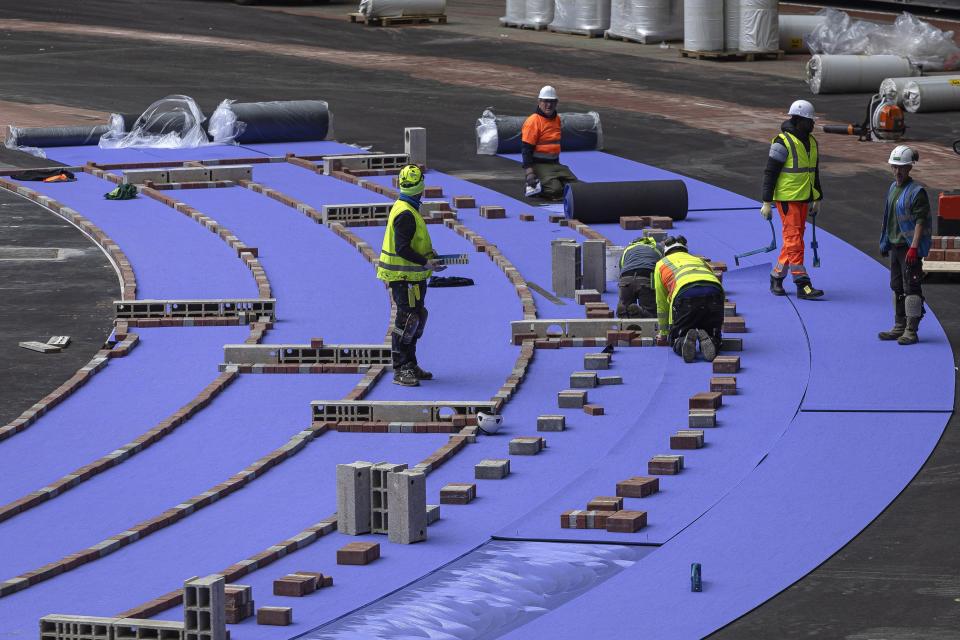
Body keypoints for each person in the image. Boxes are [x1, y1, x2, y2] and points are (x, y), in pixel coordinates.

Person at [376, 164, 446, 386]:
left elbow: (413, 244)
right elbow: (402, 248)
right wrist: (426, 262)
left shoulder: (406, 207)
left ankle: (410, 363)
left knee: (416, 318)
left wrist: (429, 255)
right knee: (406, 321)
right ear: (421, 187)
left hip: (412, 278)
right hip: (403, 278)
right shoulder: (406, 213)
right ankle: (401, 368)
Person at [760, 99, 825, 299]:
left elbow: (814, 172)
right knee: (795, 241)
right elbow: (770, 173)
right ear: (798, 120)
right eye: (810, 120)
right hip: (787, 200)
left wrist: (817, 198)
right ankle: (802, 284)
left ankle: (777, 276)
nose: (813, 124)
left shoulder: (812, 142)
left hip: (804, 198)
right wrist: (766, 202)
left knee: (793, 241)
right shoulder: (782, 142)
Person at [878, 145, 930, 345]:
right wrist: (885, 242)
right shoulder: (893, 188)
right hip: (896, 246)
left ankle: (911, 330)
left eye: (901, 168)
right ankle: (899, 326)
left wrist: (914, 247)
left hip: (909, 248)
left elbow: (920, 221)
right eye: (894, 167)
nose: (897, 171)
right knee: (897, 287)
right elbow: (888, 217)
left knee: (912, 288)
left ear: (909, 168)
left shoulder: (917, 192)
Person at [653, 236, 724, 363]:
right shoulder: (699, 260)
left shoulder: (661, 264)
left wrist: (665, 332)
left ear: (665, 252)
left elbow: (662, 302)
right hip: (714, 294)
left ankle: (682, 340)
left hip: (686, 295)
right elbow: (713, 280)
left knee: (676, 338)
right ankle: (712, 340)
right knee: (713, 333)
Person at [521, 85, 578, 200]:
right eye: (546, 101)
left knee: (576, 188)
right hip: (539, 165)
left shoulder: (556, 119)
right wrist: (529, 173)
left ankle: (552, 181)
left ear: (556, 103)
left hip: (555, 164)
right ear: (539, 102)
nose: (549, 105)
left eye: (552, 101)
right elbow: (526, 149)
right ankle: (534, 187)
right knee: (555, 191)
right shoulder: (533, 121)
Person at [617, 237, 662, 318]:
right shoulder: (657, 248)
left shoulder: (627, 249)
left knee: (625, 309)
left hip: (626, 278)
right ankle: (641, 312)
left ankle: (623, 309)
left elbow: (621, 267)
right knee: (650, 313)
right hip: (647, 276)